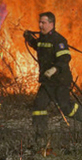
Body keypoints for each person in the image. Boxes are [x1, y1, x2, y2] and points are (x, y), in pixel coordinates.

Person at [24, 11, 82, 144]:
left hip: (60, 81)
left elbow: (65, 57)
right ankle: (40, 137)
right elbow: (37, 46)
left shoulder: (59, 40)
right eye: (39, 22)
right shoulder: (43, 40)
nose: (40, 25)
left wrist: (53, 69)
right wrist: (29, 38)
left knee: (66, 108)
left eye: (43, 23)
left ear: (51, 24)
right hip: (47, 82)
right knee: (39, 106)